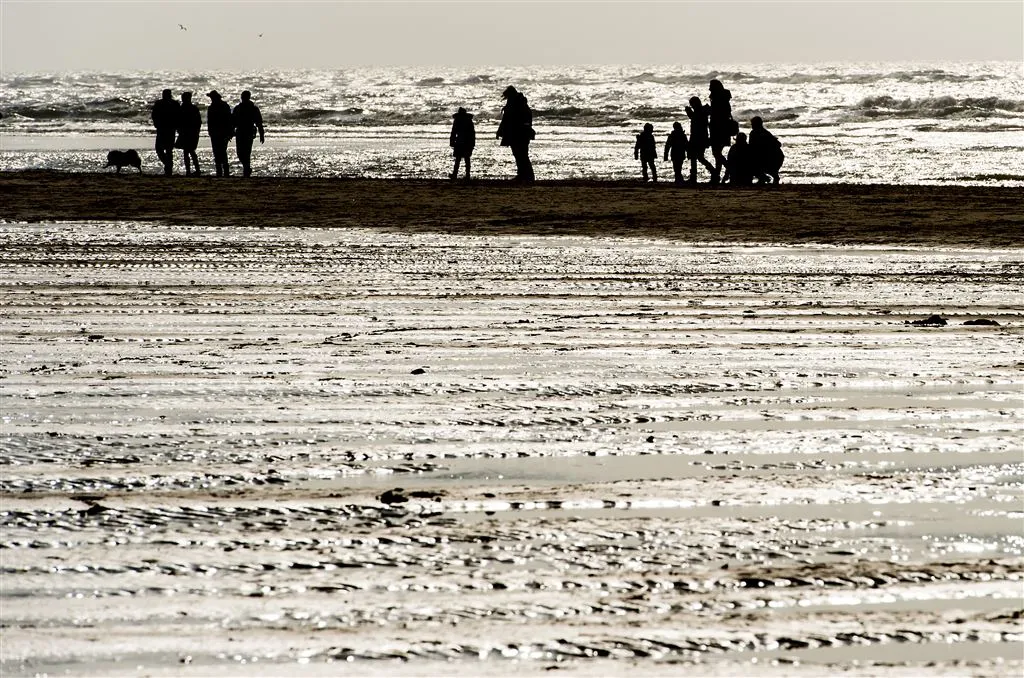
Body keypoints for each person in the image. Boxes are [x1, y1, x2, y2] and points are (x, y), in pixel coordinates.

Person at [496, 85, 535, 181]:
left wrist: (500, 132)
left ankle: (527, 175)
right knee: (520, 154)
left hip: (518, 133)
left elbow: (506, 120)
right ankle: (524, 175)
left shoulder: (516, 105)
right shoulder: (520, 103)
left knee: (521, 154)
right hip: (518, 133)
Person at [232, 90, 265, 178]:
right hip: (239, 132)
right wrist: (231, 132)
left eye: (244, 97)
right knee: (239, 153)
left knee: (246, 152)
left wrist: (262, 134)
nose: (243, 98)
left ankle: (246, 169)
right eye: (242, 97)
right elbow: (233, 121)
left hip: (249, 132)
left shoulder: (253, 108)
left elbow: (259, 123)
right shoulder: (238, 108)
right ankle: (247, 167)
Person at [684, 96, 716, 184]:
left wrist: (689, 112)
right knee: (697, 157)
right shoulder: (702, 111)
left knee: (698, 157)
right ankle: (711, 173)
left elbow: (695, 119)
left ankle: (713, 172)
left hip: (698, 138)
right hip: (700, 137)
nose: (692, 106)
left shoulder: (700, 112)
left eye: (692, 104)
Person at [708, 79, 734, 182]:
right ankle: (717, 176)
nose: (709, 88)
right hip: (723, 129)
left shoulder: (717, 99)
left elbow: (717, 114)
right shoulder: (724, 99)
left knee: (716, 153)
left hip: (718, 129)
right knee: (717, 153)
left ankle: (729, 170)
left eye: (710, 86)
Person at [151, 89, 179, 176]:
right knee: (167, 150)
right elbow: (154, 115)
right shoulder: (174, 104)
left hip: (164, 129)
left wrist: (156, 123)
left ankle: (168, 167)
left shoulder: (160, 103)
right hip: (168, 129)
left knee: (162, 149)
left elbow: (154, 115)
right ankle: (168, 166)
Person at [749, 116, 784, 184]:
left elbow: (778, 144)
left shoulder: (763, 133)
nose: (752, 125)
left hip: (773, 157)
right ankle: (764, 178)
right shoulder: (755, 133)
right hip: (769, 156)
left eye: (753, 124)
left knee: (756, 162)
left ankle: (766, 178)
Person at [206, 90, 233, 177]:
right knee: (222, 152)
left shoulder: (212, 107)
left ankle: (220, 172)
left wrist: (210, 131)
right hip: (222, 133)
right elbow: (229, 120)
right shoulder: (225, 106)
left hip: (217, 133)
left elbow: (210, 122)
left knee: (218, 152)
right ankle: (224, 172)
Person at [175, 92, 202, 176]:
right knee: (190, 151)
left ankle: (190, 171)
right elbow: (199, 122)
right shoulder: (193, 108)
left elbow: (178, 120)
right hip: (191, 132)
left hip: (186, 132)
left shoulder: (182, 108)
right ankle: (195, 170)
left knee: (187, 151)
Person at [449, 107, 476, 180]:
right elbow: (473, 133)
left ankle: (455, 174)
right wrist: (473, 143)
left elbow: (453, 132)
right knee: (467, 159)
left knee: (458, 159)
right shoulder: (469, 121)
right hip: (468, 141)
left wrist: (452, 141)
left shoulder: (457, 120)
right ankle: (467, 175)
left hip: (460, 141)